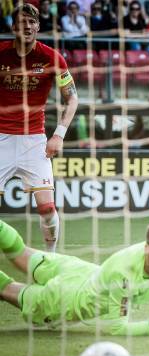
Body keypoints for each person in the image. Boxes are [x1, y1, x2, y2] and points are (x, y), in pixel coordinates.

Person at [0, 219, 149, 336]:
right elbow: (118, 328)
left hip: (78, 269)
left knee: (18, 251)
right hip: (66, 301)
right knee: (7, 288)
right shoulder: (124, 274)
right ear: (147, 249)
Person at [0, 4, 78, 252]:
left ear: (37, 26)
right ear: (13, 27)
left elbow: (72, 98)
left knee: (47, 209)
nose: (27, 26)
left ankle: (51, 258)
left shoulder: (52, 58)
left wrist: (59, 135)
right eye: (21, 22)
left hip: (34, 141)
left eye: (32, 22)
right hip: (1, 138)